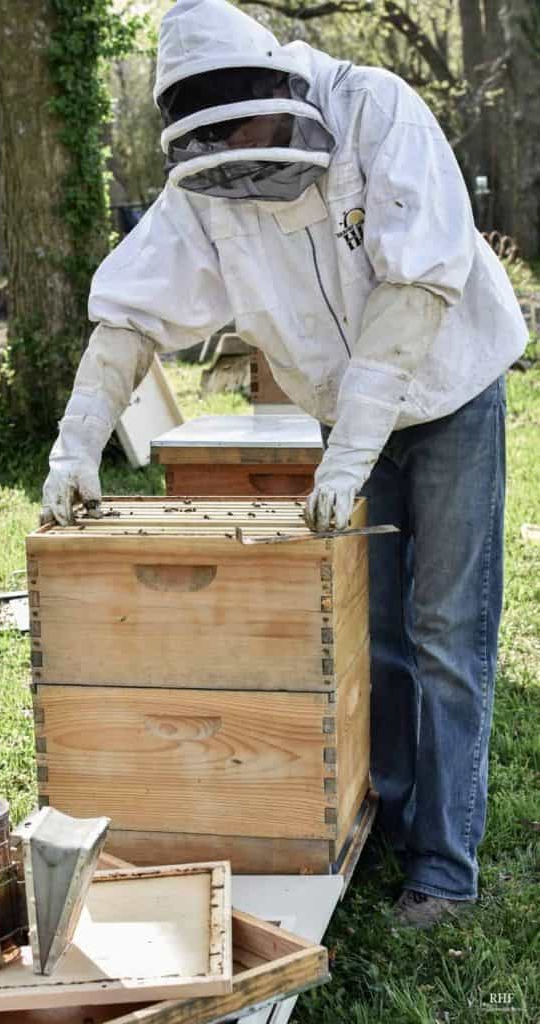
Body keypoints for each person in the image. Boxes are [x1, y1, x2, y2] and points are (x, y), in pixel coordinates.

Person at [41, 0, 527, 927]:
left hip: (450, 388)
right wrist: (76, 441)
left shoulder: (376, 110)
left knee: (445, 633)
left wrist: (348, 455)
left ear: (282, 88)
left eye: (261, 138)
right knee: (370, 625)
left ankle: (444, 863)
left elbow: (419, 279)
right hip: (345, 409)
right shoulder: (201, 181)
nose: (251, 164)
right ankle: (377, 807)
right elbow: (132, 311)